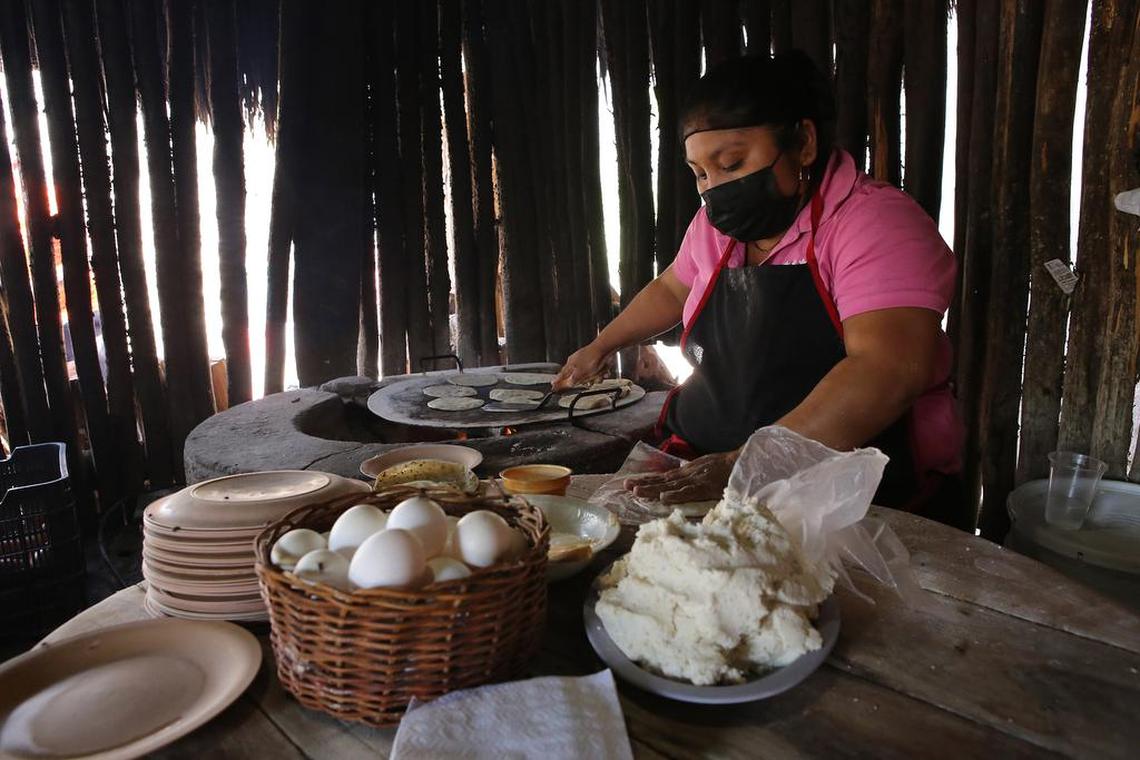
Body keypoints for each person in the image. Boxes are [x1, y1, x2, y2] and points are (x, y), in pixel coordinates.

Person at [554, 51, 965, 524]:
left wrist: (742, 465)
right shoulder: (716, 229)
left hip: (850, 499)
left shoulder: (874, 224)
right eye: (701, 174)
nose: (714, 189)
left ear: (803, 142)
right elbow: (672, 288)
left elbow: (886, 368)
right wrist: (602, 345)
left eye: (731, 163)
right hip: (707, 462)